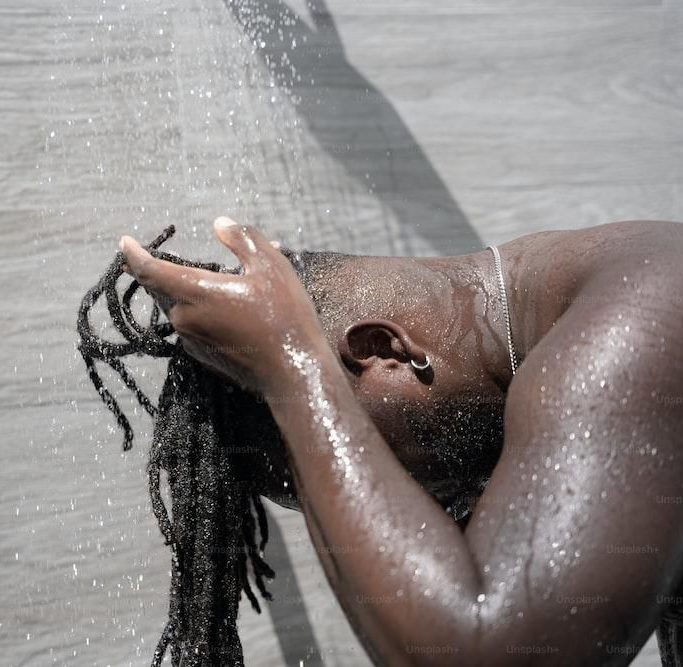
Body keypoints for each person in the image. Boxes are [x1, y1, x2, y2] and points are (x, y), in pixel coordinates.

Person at [118, 217, 683, 665]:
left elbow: (491, 657)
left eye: (378, 463)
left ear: (383, 350)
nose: (433, 511)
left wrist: (293, 366)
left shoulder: (637, 320)